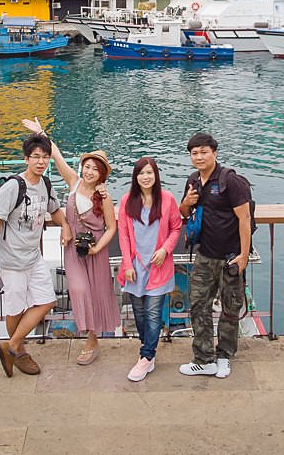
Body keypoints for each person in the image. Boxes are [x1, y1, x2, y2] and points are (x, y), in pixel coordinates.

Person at [22, 118, 120, 364]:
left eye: (94, 169)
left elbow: (112, 227)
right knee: (79, 289)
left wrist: (98, 247)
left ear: (101, 174)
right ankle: (88, 332)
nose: (88, 172)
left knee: (98, 293)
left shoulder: (104, 197)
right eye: (86, 166)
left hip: (96, 249)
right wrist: (42, 133)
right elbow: (56, 156)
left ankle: (92, 340)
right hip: (73, 247)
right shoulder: (74, 182)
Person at [0, 133, 72, 377]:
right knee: (15, 309)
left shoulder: (45, 185)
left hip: (33, 258)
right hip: (11, 261)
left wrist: (65, 225)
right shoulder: (13, 186)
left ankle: (10, 346)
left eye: (45, 157)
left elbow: (54, 210)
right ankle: (19, 350)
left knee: (47, 301)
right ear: (26, 159)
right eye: (36, 157)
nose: (41, 162)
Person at [178, 132, 252, 379]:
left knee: (231, 309)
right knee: (199, 305)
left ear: (215, 153)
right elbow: (183, 211)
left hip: (231, 257)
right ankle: (204, 358)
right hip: (204, 255)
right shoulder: (193, 180)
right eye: (194, 153)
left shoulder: (231, 182)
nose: (199, 157)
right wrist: (187, 201)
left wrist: (243, 256)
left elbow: (244, 218)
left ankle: (224, 356)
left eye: (203, 152)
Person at [116, 156, 182, 382]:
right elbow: (123, 235)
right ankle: (148, 350)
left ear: (156, 175)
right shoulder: (127, 201)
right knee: (140, 313)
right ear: (135, 177)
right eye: (141, 173)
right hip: (135, 267)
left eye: (149, 173)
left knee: (153, 313)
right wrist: (126, 264)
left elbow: (176, 227)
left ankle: (145, 357)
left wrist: (165, 249)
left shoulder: (167, 199)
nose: (145, 177)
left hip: (159, 266)